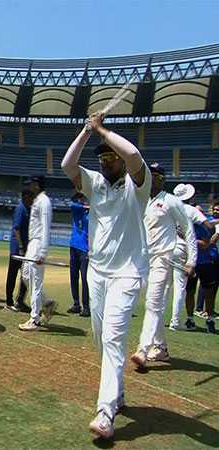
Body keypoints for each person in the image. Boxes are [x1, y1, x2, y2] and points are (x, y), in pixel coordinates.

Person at [61, 111, 151, 440]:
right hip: (97, 271)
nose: (104, 162)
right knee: (101, 338)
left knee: (113, 337)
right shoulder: (95, 184)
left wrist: (101, 130)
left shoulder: (137, 186)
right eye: (101, 158)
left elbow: (135, 156)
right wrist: (87, 132)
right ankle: (119, 393)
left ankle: (105, 411)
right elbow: (67, 166)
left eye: (109, 157)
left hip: (127, 274)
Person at [130, 163, 196, 369]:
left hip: (163, 259)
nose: (154, 179)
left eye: (158, 176)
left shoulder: (171, 201)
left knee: (153, 303)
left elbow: (189, 230)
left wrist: (191, 261)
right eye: (151, 175)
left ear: (163, 180)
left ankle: (143, 349)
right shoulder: (141, 200)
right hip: (144, 260)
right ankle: (161, 349)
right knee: (151, 305)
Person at [169, 184, 211, 330]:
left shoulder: (170, 208)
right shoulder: (191, 210)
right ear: (190, 197)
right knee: (180, 288)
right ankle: (175, 322)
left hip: (166, 248)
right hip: (182, 249)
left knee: (163, 286)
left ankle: (158, 319)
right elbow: (208, 226)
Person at [18, 175, 56, 331]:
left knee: (36, 282)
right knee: (26, 275)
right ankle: (47, 303)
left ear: (37, 185)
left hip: (38, 244)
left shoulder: (44, 202)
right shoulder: (37, 200)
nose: (29, 187)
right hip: (32, 244)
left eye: (32, 184)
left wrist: (42, 252)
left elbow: (46, 227)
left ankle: (35, 319)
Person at [5, 184, 33, 312]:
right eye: (31, 196)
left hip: (24, 249)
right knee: (13, 275)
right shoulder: (21, 209)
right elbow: (16, 228)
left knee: (25, 276)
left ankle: (20, 300)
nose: (33, 199)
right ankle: (9, 301)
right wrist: (21, 246)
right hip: (17, 250)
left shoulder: (27, 208)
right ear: (25, 196)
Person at [67, 192, 90, 317]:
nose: (80, 200)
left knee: (85, 278)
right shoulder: (77, 209)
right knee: (73, 276)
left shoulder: (92, 214)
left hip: (85, 249)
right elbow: (72, 205)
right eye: (79, 198)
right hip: (74, 246)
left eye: (82, 198)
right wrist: (87, 206)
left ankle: (86, 307)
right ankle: (76, 304)